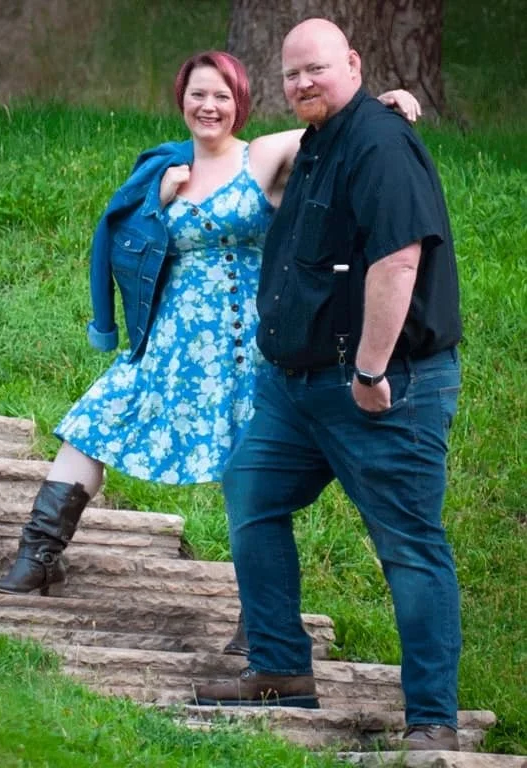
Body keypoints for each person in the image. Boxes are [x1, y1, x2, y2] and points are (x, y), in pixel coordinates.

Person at [0, 49, 421, 658]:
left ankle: (259, 618)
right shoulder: (166, 170)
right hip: (167, 343)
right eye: (197, 94)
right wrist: (155, 204)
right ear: (181, 100)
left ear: (239, 101)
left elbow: (338, 127)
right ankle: (35, 560)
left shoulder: (263, 155)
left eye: (220, 95)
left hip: (247, 346)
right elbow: (126, 242)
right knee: (90, 427)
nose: (208, 106)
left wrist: (384, 105)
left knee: (253, 478)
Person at [192, 20, 463, 754]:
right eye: (290, 75)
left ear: (354, 63)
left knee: (408, 546)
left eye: (316, 69)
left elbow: (399, 260)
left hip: (381, 387)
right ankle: (280, 668)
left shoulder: (377, 144)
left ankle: (432, 718)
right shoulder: (320, 141)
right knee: (252, 494)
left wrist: (372, 369)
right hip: (295, 387)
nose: (302, 83)